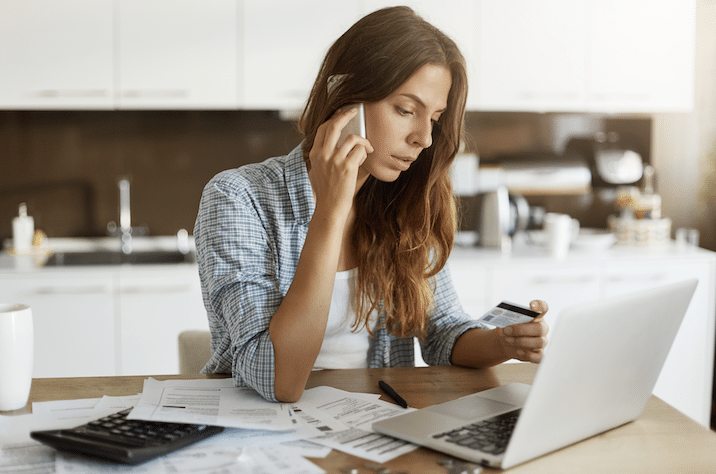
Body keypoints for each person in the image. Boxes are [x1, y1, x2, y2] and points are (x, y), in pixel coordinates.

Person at [194, 6, 549, 403]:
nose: (424, 138)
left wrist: (502, 343)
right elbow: (280, 380)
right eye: (405, 110)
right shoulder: (239, 199)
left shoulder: (404, 205)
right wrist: (331, 208)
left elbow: (443, 331)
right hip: (261, 435)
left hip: (373, 423)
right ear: (346, 101)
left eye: (433, 118)